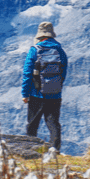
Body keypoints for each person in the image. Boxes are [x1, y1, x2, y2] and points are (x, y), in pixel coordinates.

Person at [22, 21, 67, 151]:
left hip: (36, 93)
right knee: (53, 123)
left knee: (32, 124)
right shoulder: (60, 51)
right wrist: (55, 87)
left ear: (40, 36)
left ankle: (29, 150)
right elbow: (63, 73)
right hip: (55, 94)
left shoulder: (34, 50)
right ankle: (55, 150)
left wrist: (25, 94)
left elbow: (27, 73)